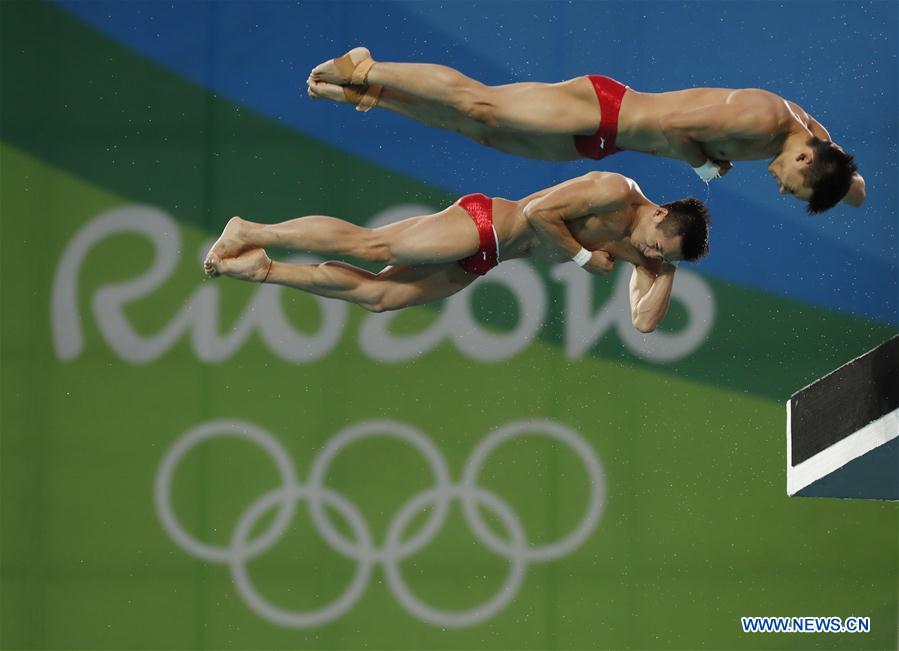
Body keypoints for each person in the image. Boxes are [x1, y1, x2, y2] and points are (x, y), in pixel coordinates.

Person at [307, 48, 865, 213]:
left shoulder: (805, 139)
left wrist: (851, 187)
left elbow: (845, 176)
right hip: (602, 110)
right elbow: (671, 124)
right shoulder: (763, 122)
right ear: (803, 162)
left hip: (603, 140)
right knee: (482, 107)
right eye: (799, 190)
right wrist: (699, 164)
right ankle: (367, 67)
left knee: (480, 134)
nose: (784, 192)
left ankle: (376, 97)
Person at [203, 172, 710, 333]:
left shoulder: (650, 251)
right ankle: (252, 229)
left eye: (660, 254)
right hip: (483, 224)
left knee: (379, 299)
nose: (649, 251)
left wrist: (667, 269)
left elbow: (643, 323)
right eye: (657, 244)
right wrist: (581, 257)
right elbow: (537, 215)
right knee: (372, 243)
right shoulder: (613, 191)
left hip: (487, 259)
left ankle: (263, 269)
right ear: (660, 213)